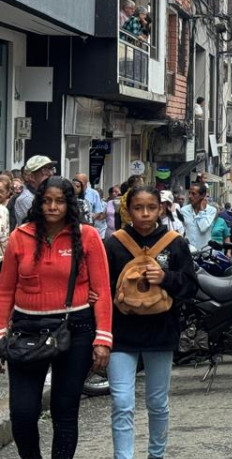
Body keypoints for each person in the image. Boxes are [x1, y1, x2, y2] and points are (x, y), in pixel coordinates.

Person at [0, 176, 113, 459]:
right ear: (39, 202)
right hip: (26, 330)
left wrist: (103, 337)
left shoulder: (87, 237)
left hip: (76, 328)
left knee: (65, 410)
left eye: (60, 201)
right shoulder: (20, 236)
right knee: (23, 413)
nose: (52, 207)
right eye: (47, 200)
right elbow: (4, 291)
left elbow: (102, 290)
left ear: (69, 204)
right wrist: (1, 331)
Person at [104, 185, 197, 459]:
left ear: (161, 209)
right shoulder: (113, 243)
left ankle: (156, 455)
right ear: (128, 210)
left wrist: (165, 278)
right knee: (121, 403)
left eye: (151, 208)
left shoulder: (174, 242)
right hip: (121, 333)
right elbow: (103, 287)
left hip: (160, 332)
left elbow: (191, 286)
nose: (145, 214)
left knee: (157, 403)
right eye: (138, 208)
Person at [14, 155, 56, 224]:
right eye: (45, 170)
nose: (50, 173)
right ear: (32, 177)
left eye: (51, 169)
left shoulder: (48, 193)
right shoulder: (26, 199)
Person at [179, 183, 217, 251]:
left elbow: (203, 228)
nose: (190, 196)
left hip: (204, 253)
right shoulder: (183, 210)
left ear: (202, 195)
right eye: (189, 193)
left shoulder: (211, 210)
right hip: (188, 252)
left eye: (193, 194)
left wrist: (202, 211)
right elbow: (181, 231)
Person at [75, 173, 107, 239]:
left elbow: (98, 210)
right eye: (75, 181)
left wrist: (89, 218)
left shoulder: (94, 193)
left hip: (89, 228)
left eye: (79, 182)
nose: (76, 183)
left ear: (84, 183)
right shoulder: (70, 193)